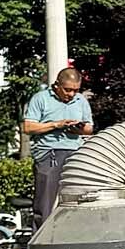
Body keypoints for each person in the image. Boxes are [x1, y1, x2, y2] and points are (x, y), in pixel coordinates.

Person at [23, 64, 94, 226]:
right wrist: (56, 125)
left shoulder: (80, 100)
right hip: (49, 153)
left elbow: (89, 128)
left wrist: (79, 128)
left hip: (75, 152)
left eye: (76, 90)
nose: (72, 94)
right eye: (68, 89)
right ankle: (41, 238)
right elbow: (28, 127)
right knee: (45, 201)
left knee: (77, 197)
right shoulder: (40, 98)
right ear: (57, 85)